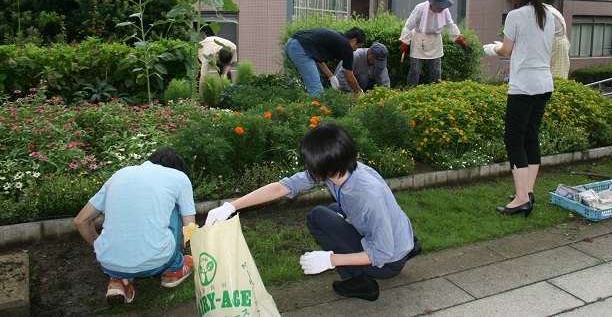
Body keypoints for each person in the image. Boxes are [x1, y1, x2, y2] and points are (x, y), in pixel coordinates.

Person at [205, 123, 421, 302]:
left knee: (318, 217)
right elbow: (282, 187)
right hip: (398, 237)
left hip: (388, 261)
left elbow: (382, 254)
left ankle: (361, 283)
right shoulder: (344, 169)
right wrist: (231, 206)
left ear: (326, 165)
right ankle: (407, 246)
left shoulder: (366, 197)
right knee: (332, 211)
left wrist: (331, 260)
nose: (308, 168)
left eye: (310, 163)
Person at [73, 148, 196, 305]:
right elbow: (190, 226)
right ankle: (175, 267)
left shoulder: (119, 175)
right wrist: (180, 247)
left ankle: (119, 281)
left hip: (109, 263)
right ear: (177, 168)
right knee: (175, 208)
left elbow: (80, 221)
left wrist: (100, 247)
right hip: (158, 260)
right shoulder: (179, 178)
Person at [482, 0, 554, 216]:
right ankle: (528, 192)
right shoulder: (548, 14)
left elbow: (506, 50)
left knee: (514, 141)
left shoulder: (515, 15)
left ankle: (522, 198)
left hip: (524, 86)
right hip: (545, 84)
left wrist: (491, 48)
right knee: (531, 139)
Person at [399, 0, 472, 87]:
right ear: (434, 3)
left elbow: (450, 25)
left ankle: (436, 92)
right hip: (419, 39)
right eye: (441, 5)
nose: (443, 8)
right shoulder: (420, 8)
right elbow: (408, 26)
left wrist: (460, 40)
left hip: (435, 41)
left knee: (436, 72)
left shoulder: (445, 11)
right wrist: (404, 42)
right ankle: (410, 91)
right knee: (415, 71)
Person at [285, 27, 366, 95]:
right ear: (354, 40)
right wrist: (360, 92)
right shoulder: (346, 47)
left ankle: (310, 108)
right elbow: (350, 78)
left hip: (290, 44)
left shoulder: (339, 39)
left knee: (314, 85)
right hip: (300, 48)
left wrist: (331, 76)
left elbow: (318, 59)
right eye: (358, 46)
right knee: (316, 90)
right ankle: (319, 112)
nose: (356, 50)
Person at [544, 4, 570, 79]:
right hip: (560, 43)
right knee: (559, 76)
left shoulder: (545, 13)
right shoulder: (550, 10)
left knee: (554, 76)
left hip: (555, 44)